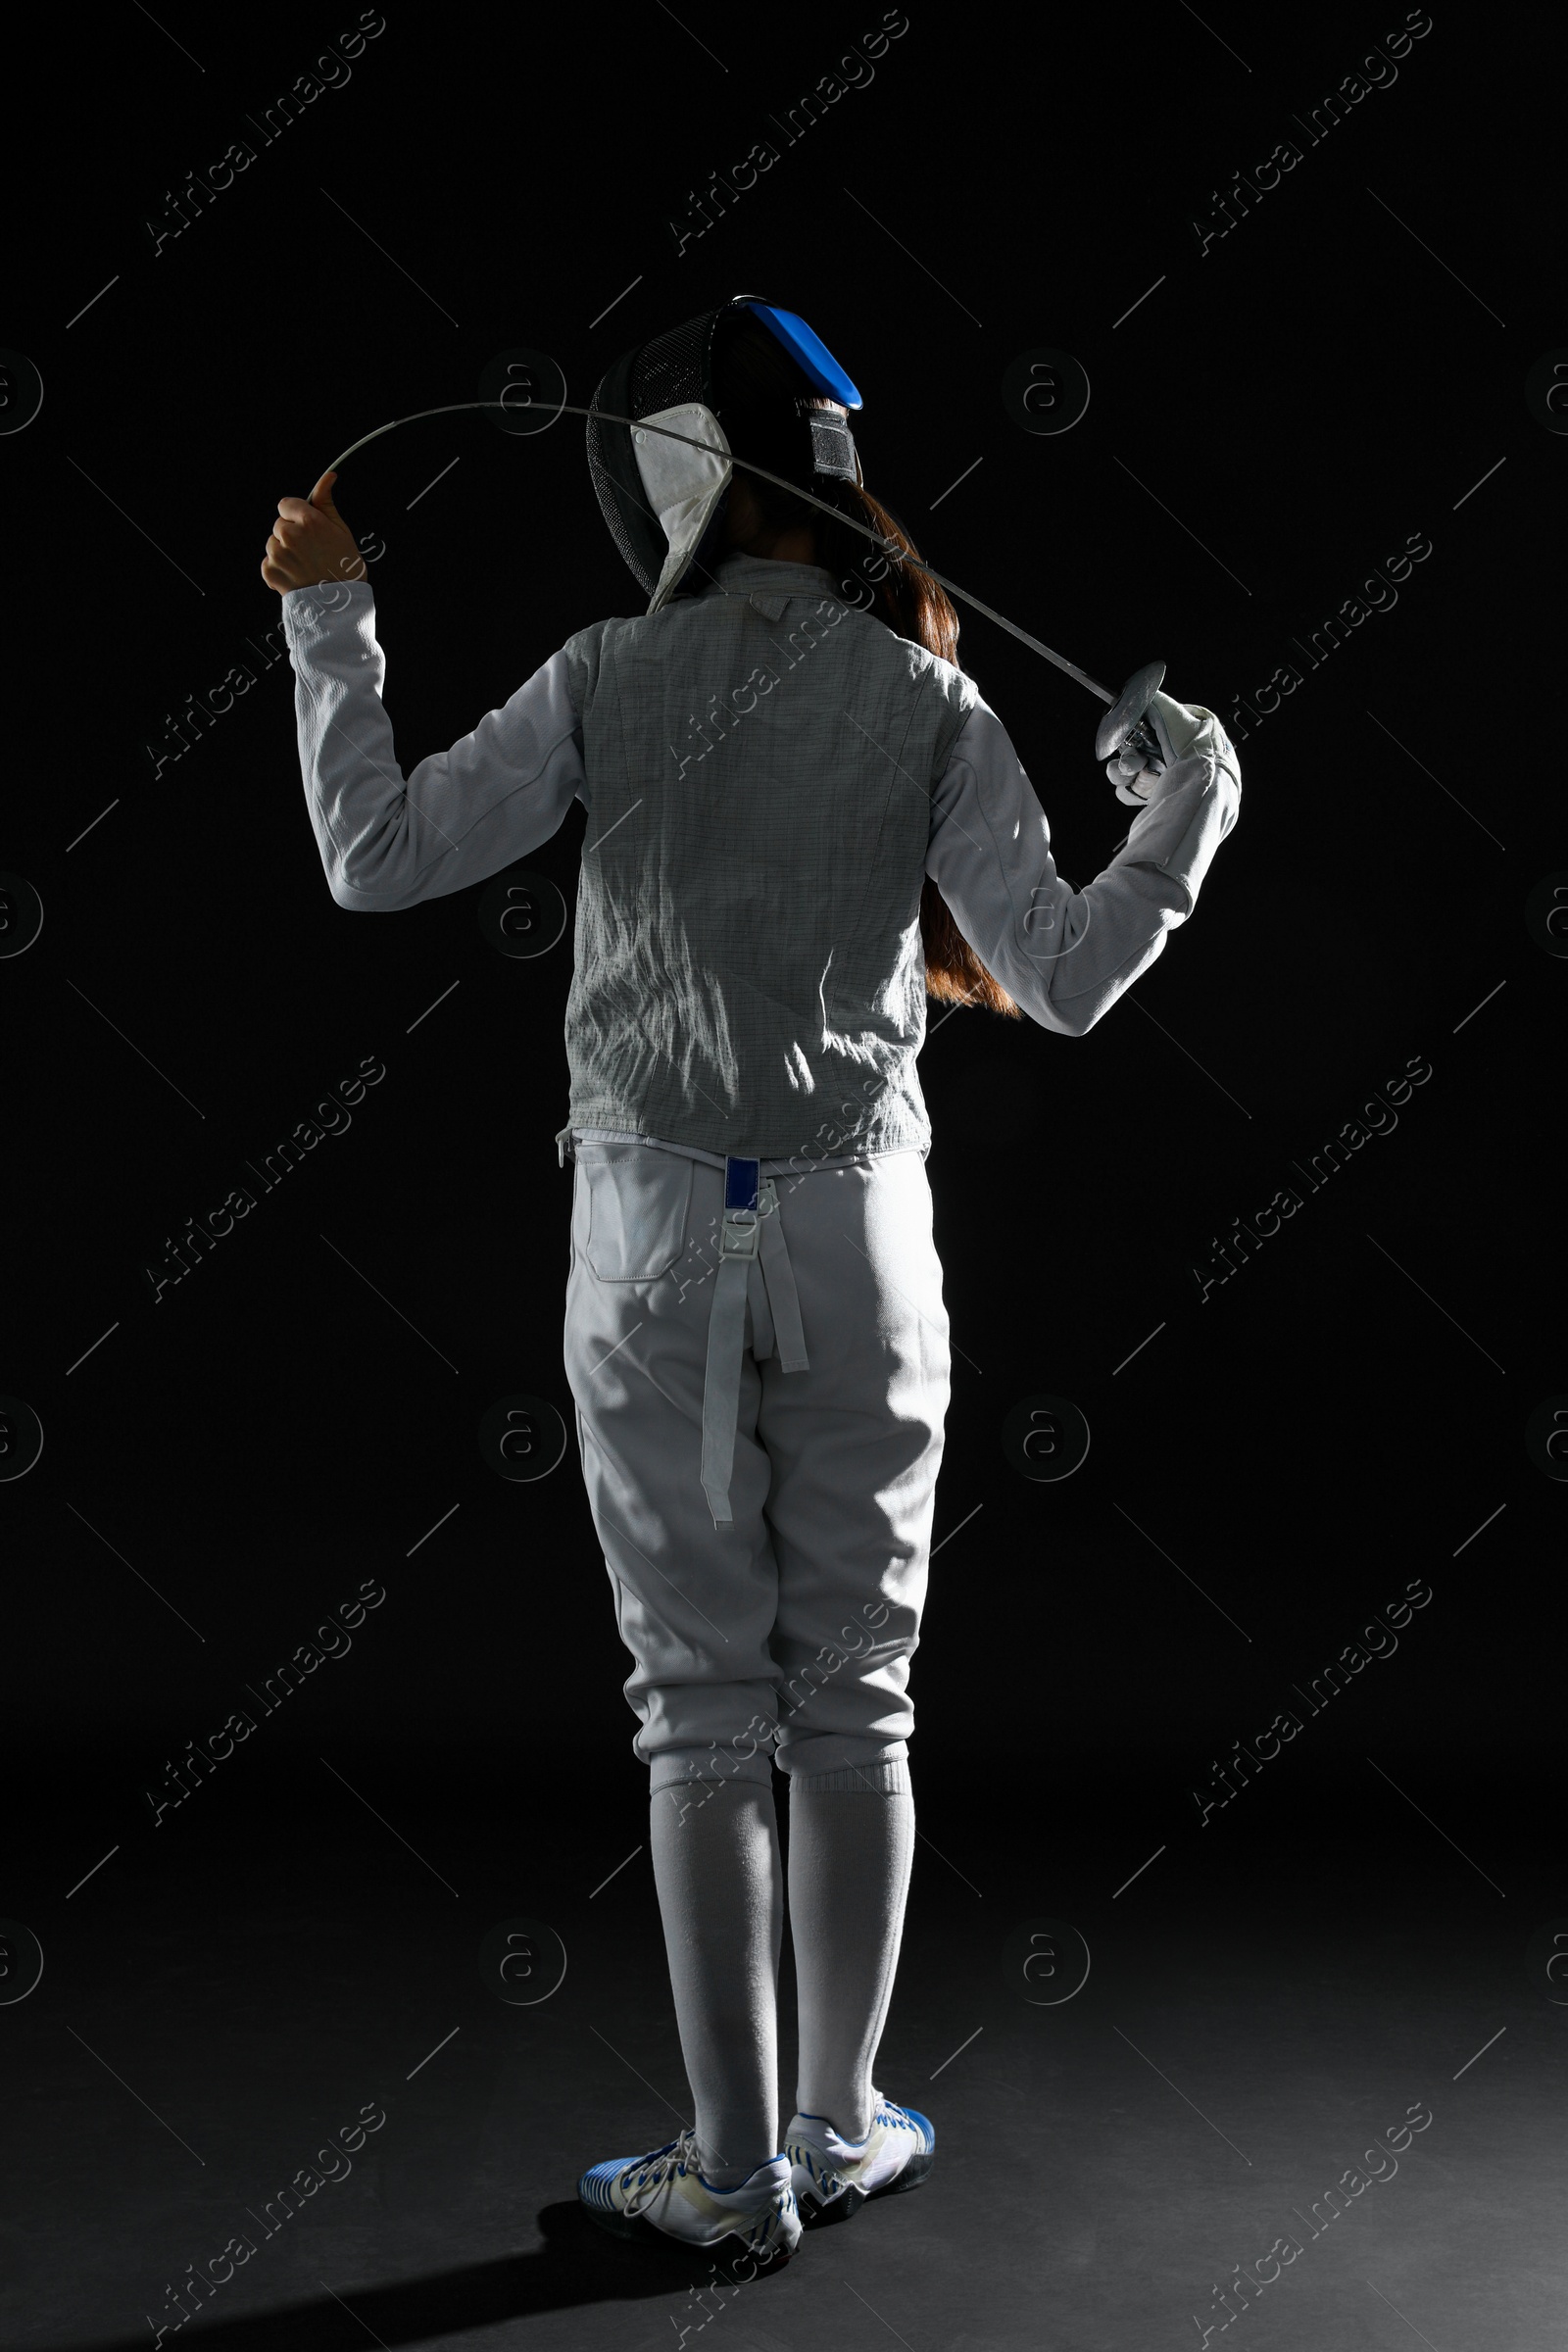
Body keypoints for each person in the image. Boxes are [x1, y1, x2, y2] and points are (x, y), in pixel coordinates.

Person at [261, 295, 1242, 2276]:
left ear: (675, 480)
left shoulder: (609, 670)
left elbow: (369, 854)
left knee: (700, 1713)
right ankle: (833, 2125)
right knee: (856, 1700)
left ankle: (737, 2174)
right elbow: (1058, 975)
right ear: (824, 462)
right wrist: (1185, 819)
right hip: (859, 1236)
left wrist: (329, 622)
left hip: (647, 1248)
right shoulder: (923, 699)